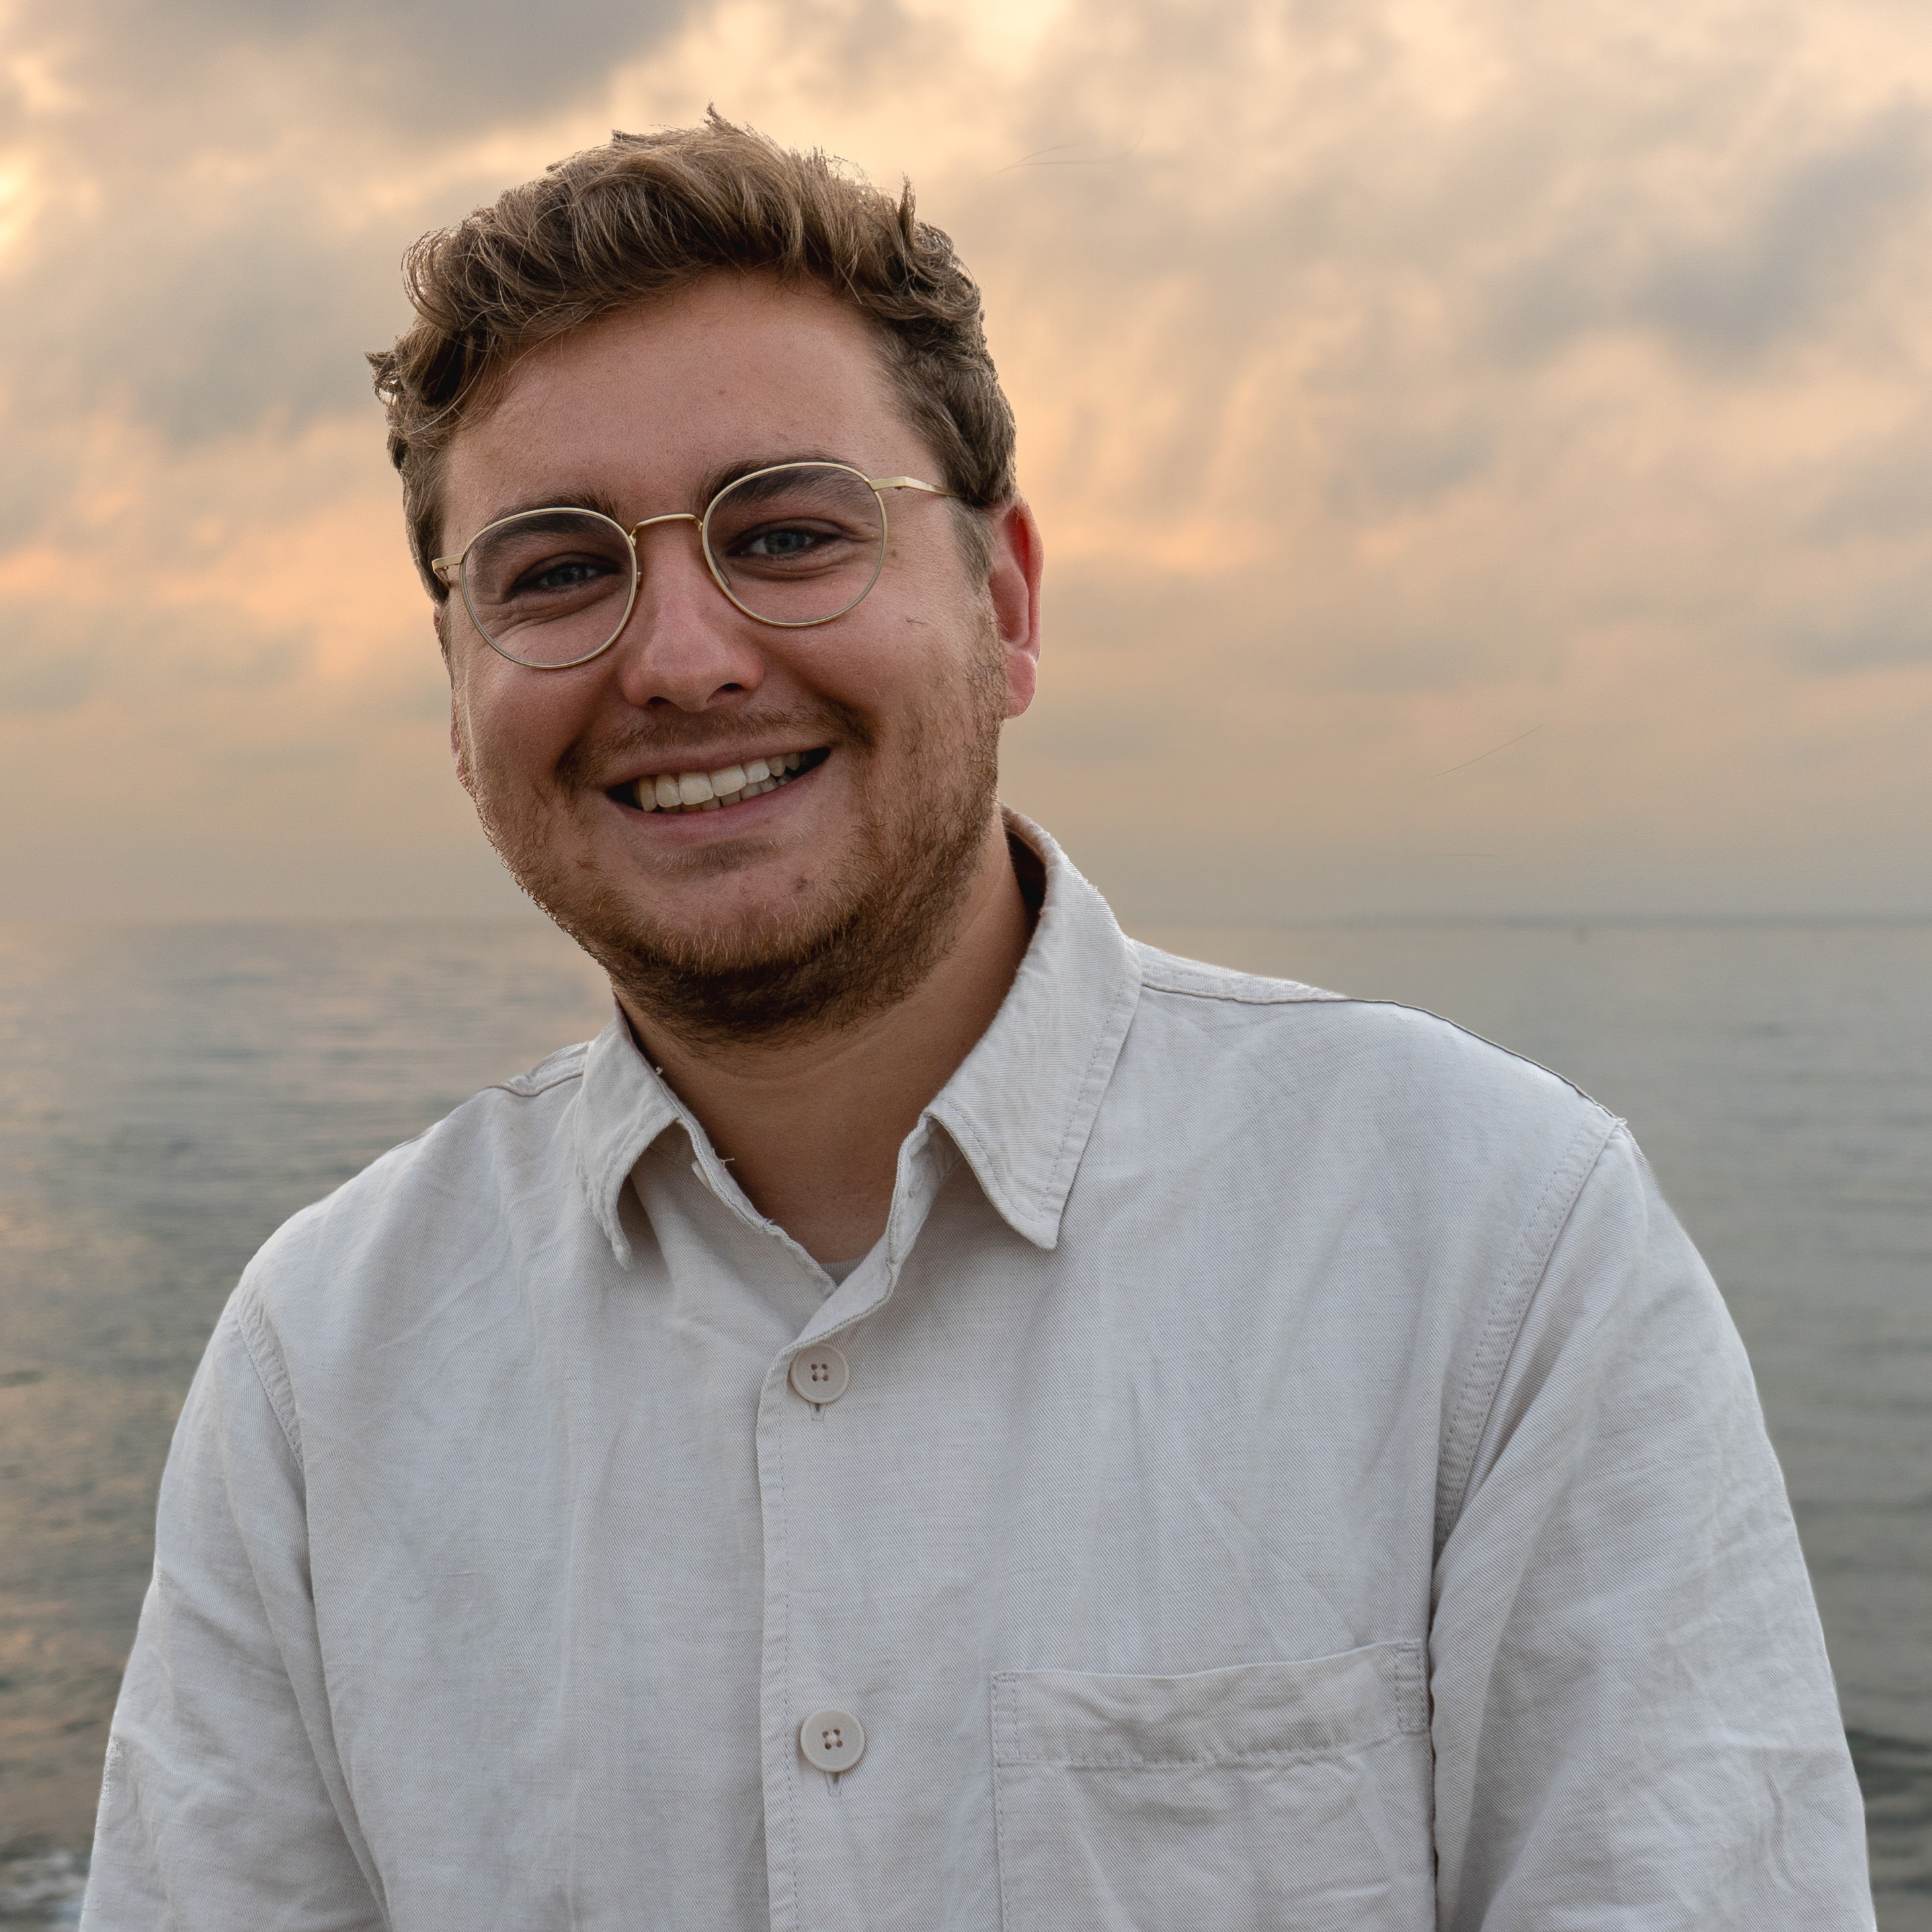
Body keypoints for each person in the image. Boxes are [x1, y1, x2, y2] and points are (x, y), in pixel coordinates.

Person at [81, 116, 1874, 1931]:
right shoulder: (322, 1369)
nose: (680, 658)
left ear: (1004, 605)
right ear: (459, 691)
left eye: (789, 533)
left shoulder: (1491, 1244)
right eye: (552, 570)